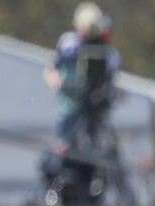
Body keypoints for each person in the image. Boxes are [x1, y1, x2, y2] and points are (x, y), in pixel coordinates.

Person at [43, 2, 119, 147]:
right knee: (64, 145)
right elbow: (51, 69)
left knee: (94, 145)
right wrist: (57, 80)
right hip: (71, 106)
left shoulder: (105, 52)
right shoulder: (69, 44)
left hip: (94, 112)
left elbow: (108, 81)